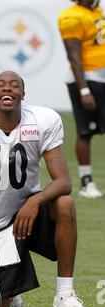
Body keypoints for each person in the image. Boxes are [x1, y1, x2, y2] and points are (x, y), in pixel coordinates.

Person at [0, 70, 93, 307]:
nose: (7, 89)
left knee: (65, 204)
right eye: (1, 85)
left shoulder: (42, 120)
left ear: (23, 94)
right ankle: (11, 293)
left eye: (14, 85)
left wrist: (35, 201)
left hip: (27, 217)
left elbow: (64, 182)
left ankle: (64, 295)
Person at [58, 0, 105, 199]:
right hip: (88, 79)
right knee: (85, 131)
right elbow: (73, 56)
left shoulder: (95, 10)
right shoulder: (71, 16)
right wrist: (84, 90)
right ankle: (86, 182)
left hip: (101, 76)